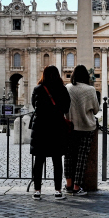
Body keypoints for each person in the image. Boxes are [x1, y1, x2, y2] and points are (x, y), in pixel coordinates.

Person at [30, 65, 71, 201]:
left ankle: (37, 191)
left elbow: (34, 105)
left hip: (40, 128)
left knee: (39, 161)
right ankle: (58, 190)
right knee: (57, 160)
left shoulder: (38, 89)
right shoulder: (62, 89)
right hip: (57, 127)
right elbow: (66, 107)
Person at [64, 65, 99, 196]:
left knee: (68, 157)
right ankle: (76, 187)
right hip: (86, 128)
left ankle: (68, 185)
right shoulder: (90, 90)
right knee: (81, 158)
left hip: (70, 127)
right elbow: (96, 110)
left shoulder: (67, 88)